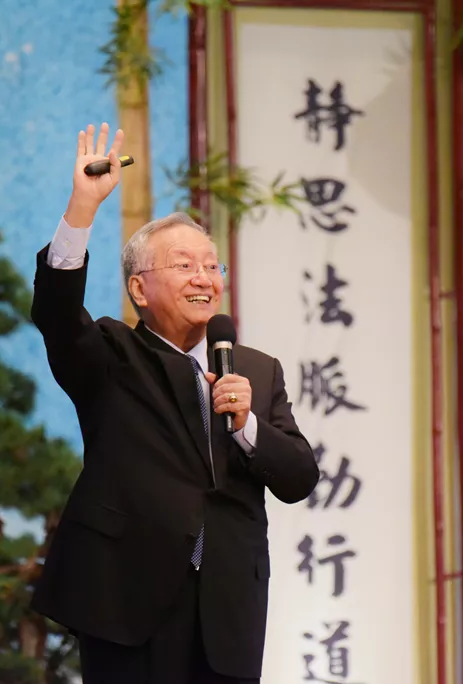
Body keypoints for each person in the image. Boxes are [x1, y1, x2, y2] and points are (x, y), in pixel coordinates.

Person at [29, 122, 319, 684]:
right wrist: (83, 207)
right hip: (127, 603)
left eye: (212, 266)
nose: (204, 278)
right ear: (140, 288)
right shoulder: (111, 355)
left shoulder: (256, 370)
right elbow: (56, 313)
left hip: (228, 611)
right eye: (184, 266)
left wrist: (248, 426)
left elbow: (299, 476)